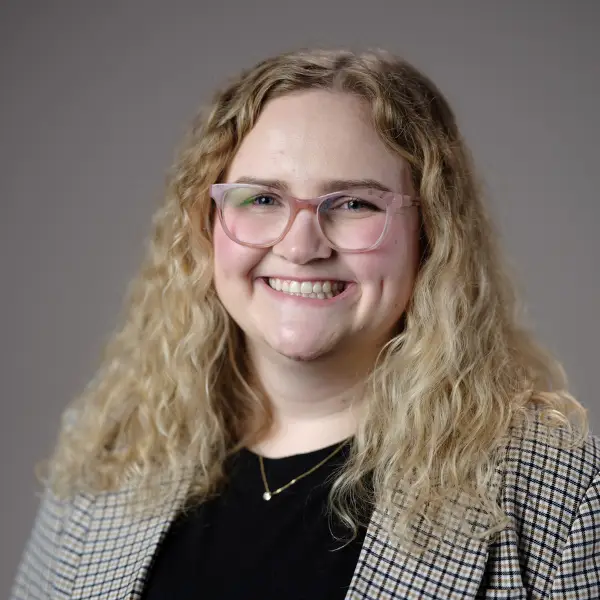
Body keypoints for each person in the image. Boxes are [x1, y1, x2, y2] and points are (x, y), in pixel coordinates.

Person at [10, 48, 599, 600]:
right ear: (206, 225)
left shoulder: (562, 492)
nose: (300, 246)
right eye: (262, 199)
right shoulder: (108, 452)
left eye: (354, 204)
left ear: (431, 236)